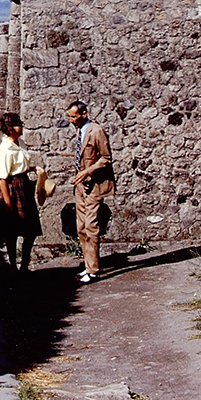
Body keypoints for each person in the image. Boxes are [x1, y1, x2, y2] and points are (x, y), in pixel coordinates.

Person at [67, 100, 115, 283]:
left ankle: (93, 270)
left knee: (91, 226)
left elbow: (106, 158)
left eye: (73, 116)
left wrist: (87, 172)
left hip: (94, 187)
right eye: (70, 117)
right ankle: (88, 266)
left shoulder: (96, 131)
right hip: (81, 187)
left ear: (84, 114)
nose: (71, 120)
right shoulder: (80, 130)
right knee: (81, 227)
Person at [0, 112, 42, 275]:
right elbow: (2, 178)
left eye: (20, 124)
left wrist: (33, 168)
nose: (20, 127)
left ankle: (24, 265)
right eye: (17, 125)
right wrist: (8, 204)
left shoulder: (20, 143)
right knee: (12, 231)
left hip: (24, 185)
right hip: (12, 187)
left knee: (30, 230)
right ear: (9, 128)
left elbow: (20, 165)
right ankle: (13, 266)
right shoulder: (6, 149)